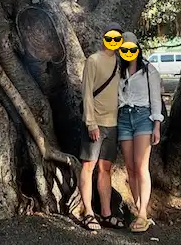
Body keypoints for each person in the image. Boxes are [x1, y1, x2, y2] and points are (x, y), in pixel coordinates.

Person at [77, 22, 126, 231]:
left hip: (113, 123)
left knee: (105, 169)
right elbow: (87, 92)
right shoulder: (93, 60)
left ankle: (106, 213)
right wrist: (90, 123)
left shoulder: (119, 63)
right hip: (95, 123)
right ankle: (88, 211)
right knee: (88, 167)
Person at [116, 31, 164, 233]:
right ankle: (138, 211)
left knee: (141, 165)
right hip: (123, 118)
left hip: (144, 117)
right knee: (130, 167)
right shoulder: (118, 72)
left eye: (131, 48)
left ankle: (143, 213)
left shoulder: (149, 70)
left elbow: (156, 100)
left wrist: (156, 125)